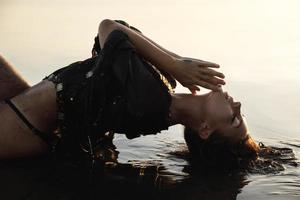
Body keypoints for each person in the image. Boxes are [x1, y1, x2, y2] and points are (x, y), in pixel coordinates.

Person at [0, 19, 256, 167]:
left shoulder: (153, 101)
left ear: (205, 129)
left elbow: (110, 29)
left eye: (233, 119)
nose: (238, 106)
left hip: (19, 126)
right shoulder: (165, 88)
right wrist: (176, 63)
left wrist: (175, 65)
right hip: (28, 105)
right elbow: (124, 33)